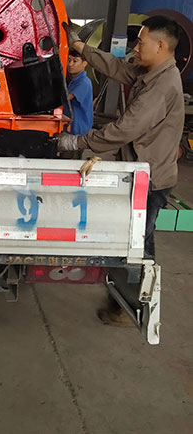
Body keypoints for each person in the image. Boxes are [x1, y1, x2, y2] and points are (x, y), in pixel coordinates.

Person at [59, 16, 184, 325]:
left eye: (140, 42)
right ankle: (125, 300)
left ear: (160, 45)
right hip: (140, 170)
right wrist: (80, 47)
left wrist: (77, 142)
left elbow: (124, 130)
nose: (135, 48)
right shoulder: (149, 71)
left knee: (138, 244)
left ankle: (132, 305)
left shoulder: (162, 86)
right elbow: (116, 67)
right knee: (131, 239)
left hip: (151, 180)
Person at [63, 48, 93, 136]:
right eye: (69, 60)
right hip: (71, 128)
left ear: (84, 63)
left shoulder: (83, 82)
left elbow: (66, 98)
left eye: (75, 61)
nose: (70, 64)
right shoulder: (74, 81)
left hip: (78, 131)